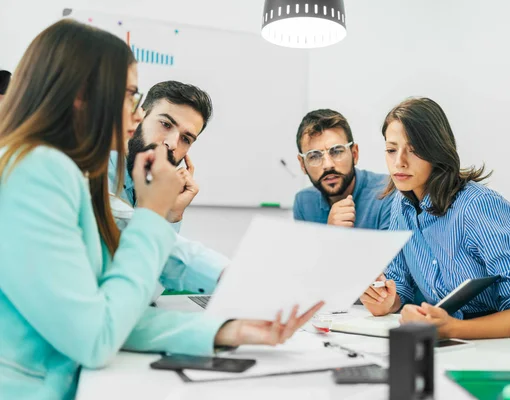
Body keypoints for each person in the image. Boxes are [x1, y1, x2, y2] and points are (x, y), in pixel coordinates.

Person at [0, 20, 323, 399]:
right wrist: (155, 215)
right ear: (82, 95)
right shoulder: (36, 170)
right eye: (129, 96)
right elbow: (96, 337)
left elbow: (108, 312)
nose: (135, 115)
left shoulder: (60, 168)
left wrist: (230, 330)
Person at [360, 97, 510, 343]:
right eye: (391, 150)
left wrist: (451, 329)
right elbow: (402, 286)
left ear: (437, 150)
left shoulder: (476, 206)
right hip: (459, 343)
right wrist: (387, 301)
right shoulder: (401, 206)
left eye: (415, 150)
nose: (399, 162)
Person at [108, 81, 228, 296]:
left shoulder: (147, 184)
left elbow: (148, 289)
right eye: (165, 124)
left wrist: (172, 214)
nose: (172, 143)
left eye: (186, 139)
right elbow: (130, 227)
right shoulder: (96, 170)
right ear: (138, 117)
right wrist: (230, 276)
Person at [294, 109, 393, 229]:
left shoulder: (388, 193)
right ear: (302, 165)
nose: (328, 165)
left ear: (354, 154)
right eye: (314, 156)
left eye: (336, 151)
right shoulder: (304, 202)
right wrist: (330, 234)